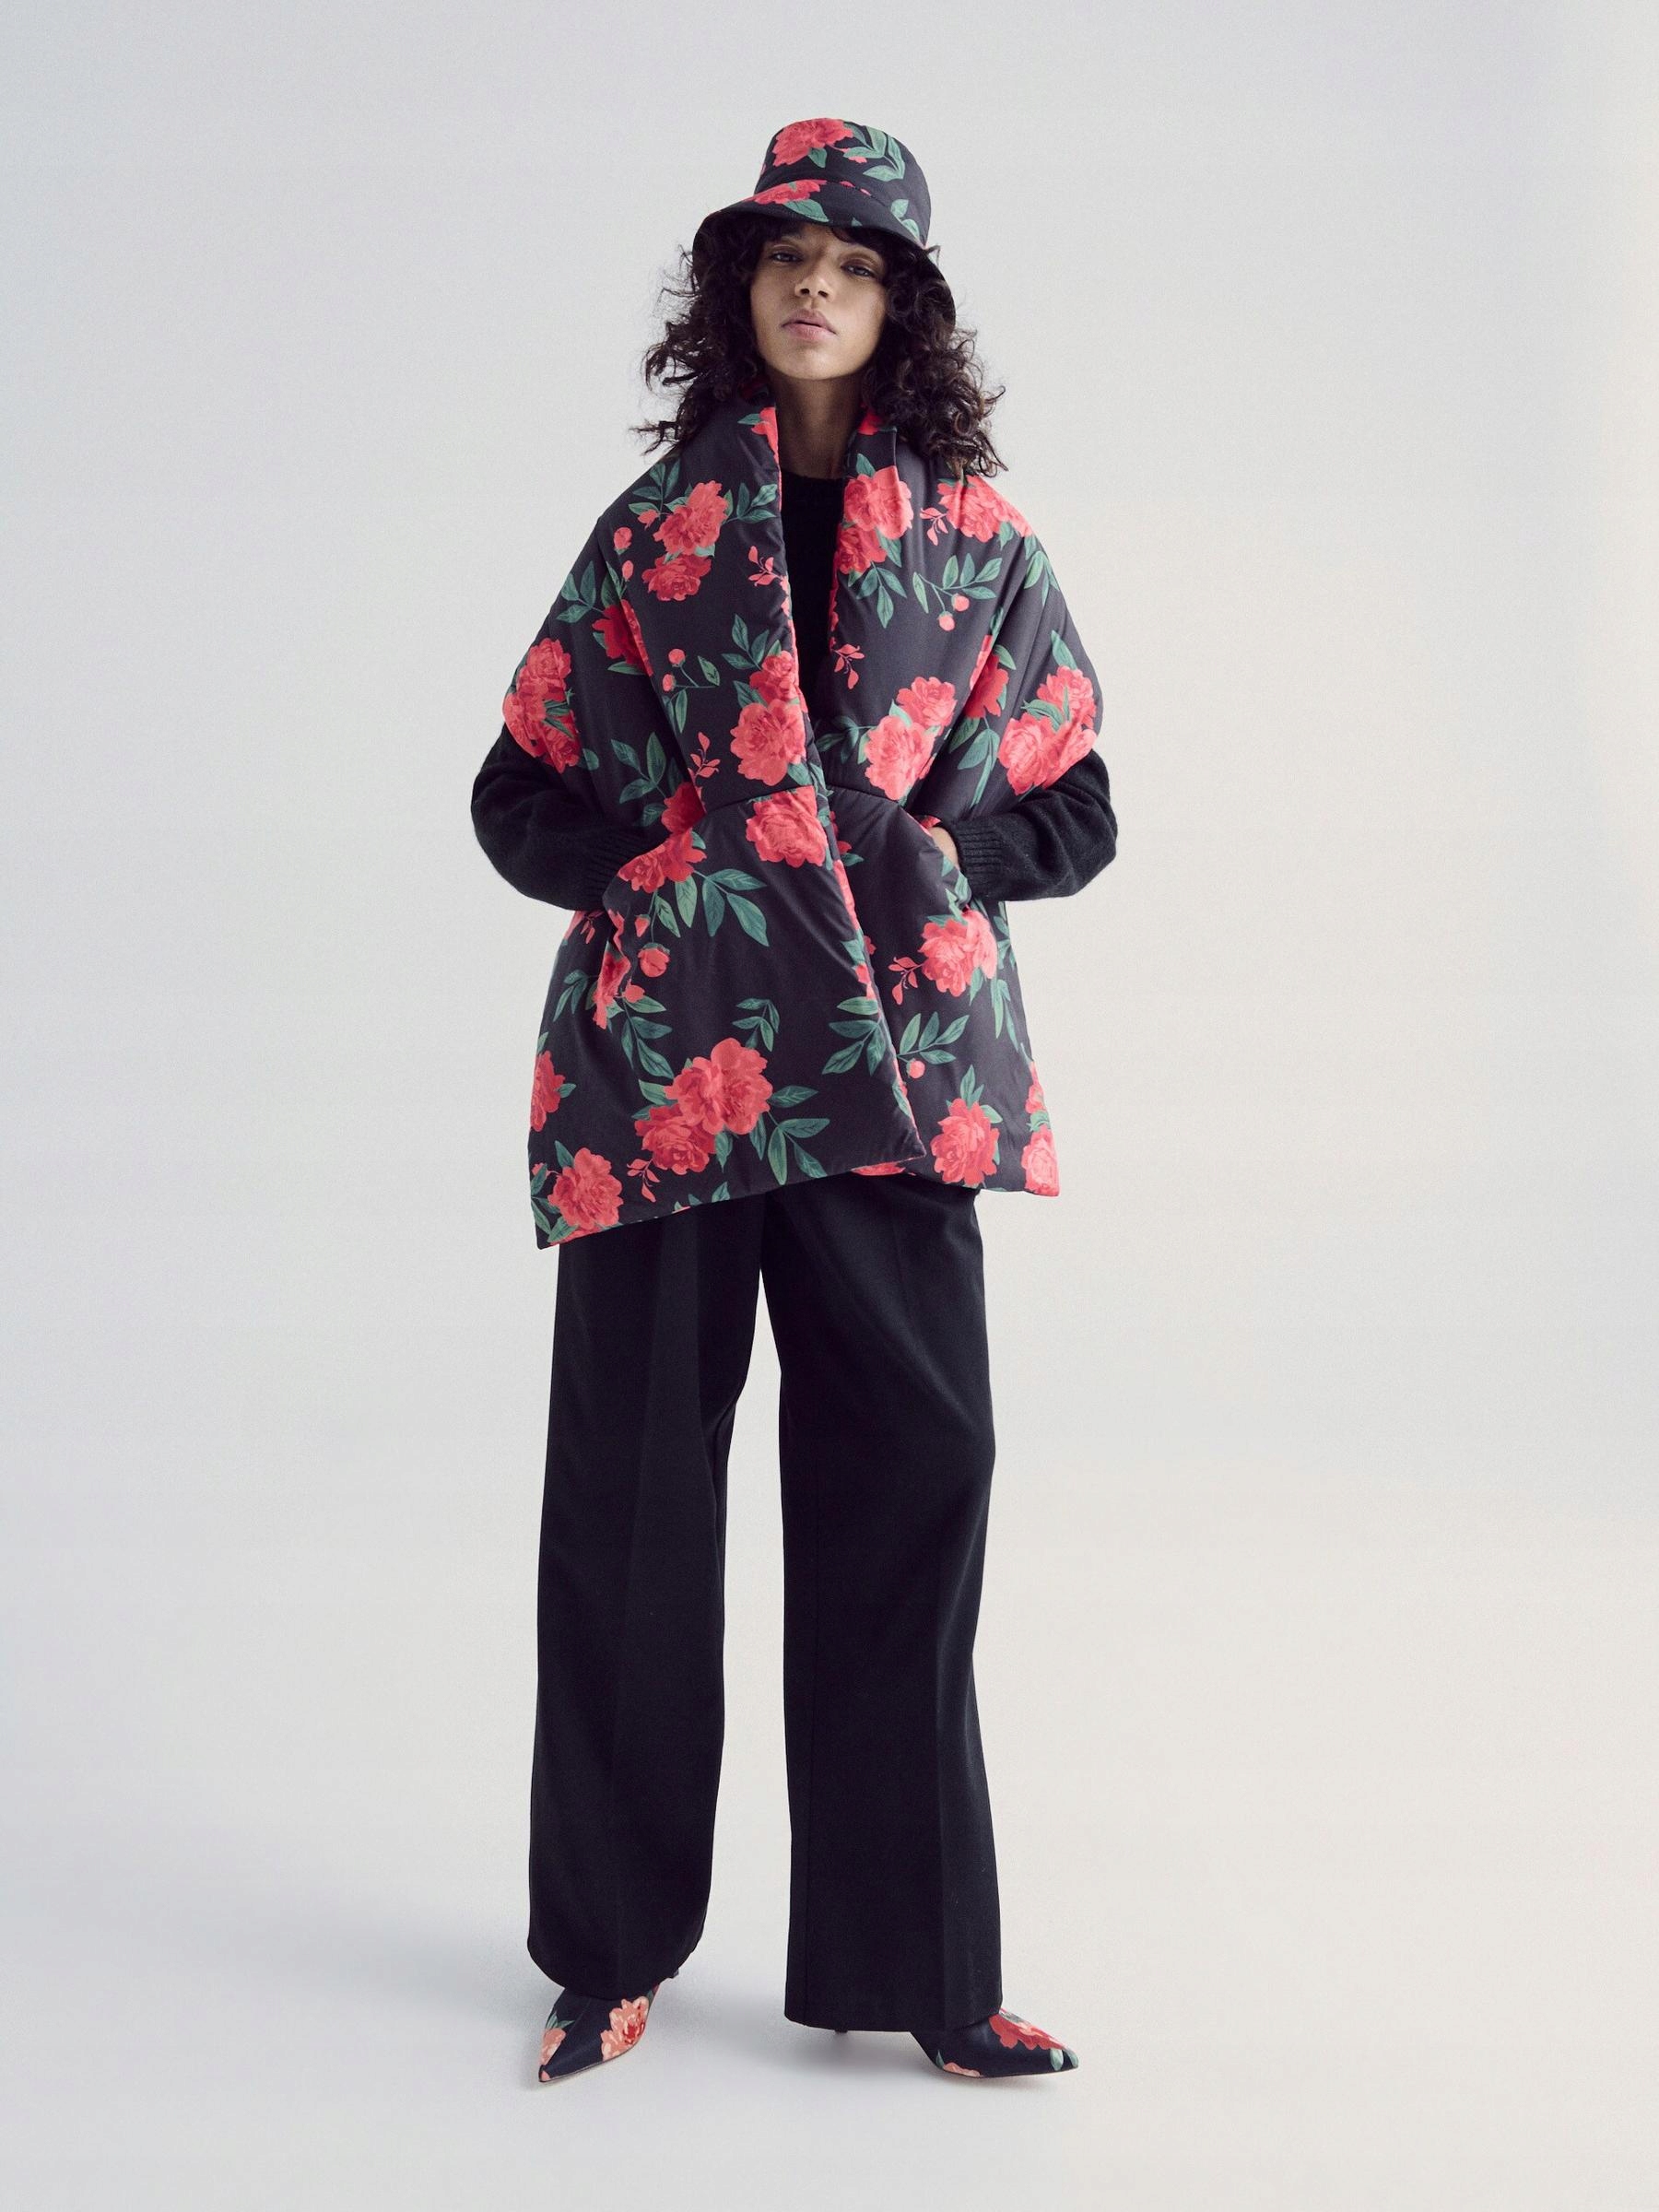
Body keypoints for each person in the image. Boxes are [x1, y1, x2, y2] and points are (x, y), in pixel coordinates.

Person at [471, 117, 1117, 2086]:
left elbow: (1081, 801)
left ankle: (926, 1972)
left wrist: (936, 858)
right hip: (671, 1077)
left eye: (850, 263)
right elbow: (517, 788)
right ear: (737, 293)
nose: (812, 285)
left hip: (896, 1078)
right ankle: (606, 1952)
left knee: (917, 1484)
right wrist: (665, 873)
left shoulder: (980, 541)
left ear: (901, 304)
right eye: (781, 258)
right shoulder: (654, 529)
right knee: (633, 1509)